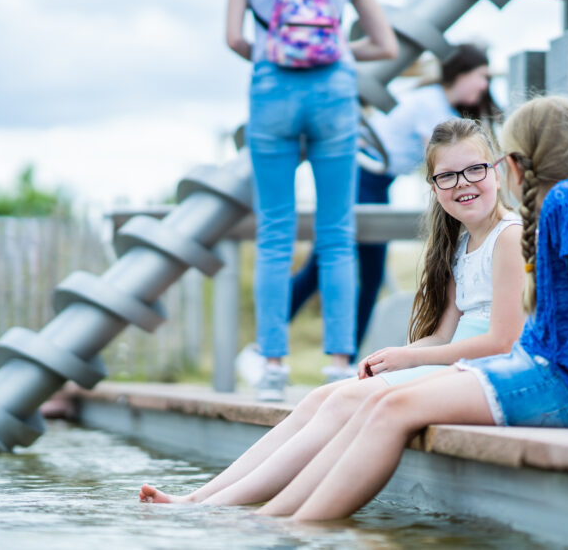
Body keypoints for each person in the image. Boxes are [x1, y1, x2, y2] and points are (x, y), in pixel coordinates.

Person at [248, 96, 568, 522]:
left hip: (552, 381)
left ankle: (294, 527)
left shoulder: (566, 205)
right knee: (384, 404)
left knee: (390, 408)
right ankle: (274, 518)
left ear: (513, 166)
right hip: (551, 375)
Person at [140, 118, 524, 506]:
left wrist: (409, 356)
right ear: (433, 187)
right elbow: (444, 335)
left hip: (480, 371)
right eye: (447, 176)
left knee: (342, 402)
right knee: (317, 399)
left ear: (495, 169)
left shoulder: (507, 236)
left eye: (474, 169)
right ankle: (201, 497)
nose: (462, 183)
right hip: (452, 364)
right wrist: (399, 358)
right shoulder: (460, 245)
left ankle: (216, 508)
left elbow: (501, 342)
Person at [224, 0, 398, 400]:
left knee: (276, 230)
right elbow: (384, 44)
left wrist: (270, 54)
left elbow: (234, 36)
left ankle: (273, 365)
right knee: (336, 232)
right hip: (334, 99)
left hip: (272, 94)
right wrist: (338, 52)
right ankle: (339, 363)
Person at [286, 44, 502, 382]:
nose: (484, 87)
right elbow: (445, 158)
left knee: (363, 273)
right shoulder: (433, 106)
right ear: (461, 74)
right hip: (364, 175)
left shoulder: (438, 102)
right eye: (482, 77)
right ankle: (278, 347)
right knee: (329, 266)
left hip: (376, 180)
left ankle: (343, 361)